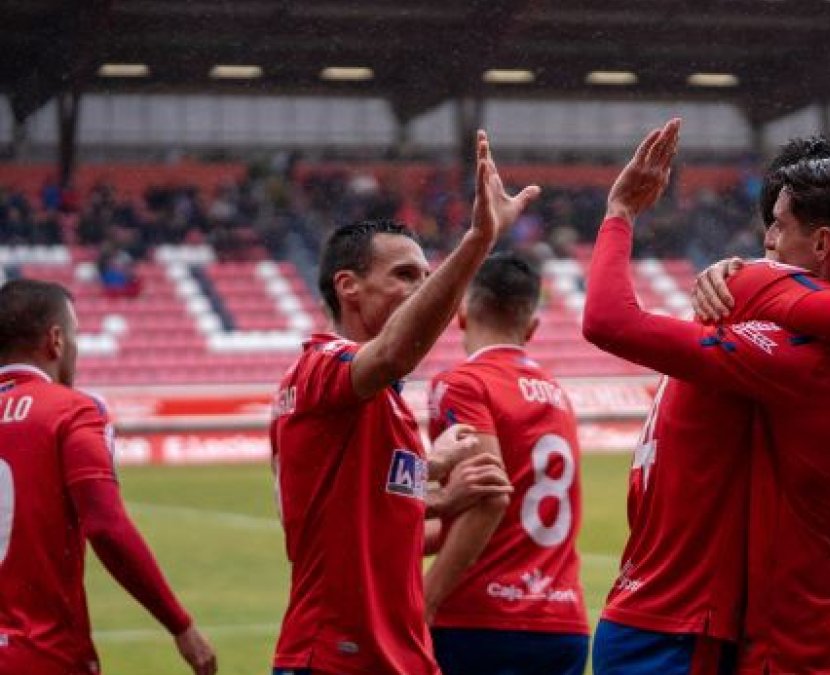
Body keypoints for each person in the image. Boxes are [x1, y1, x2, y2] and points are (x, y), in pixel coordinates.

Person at [583, 119, 830, 675]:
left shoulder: (779, 352)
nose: (765, 243)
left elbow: (610, 320)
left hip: (695, 625)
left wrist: (622, 215)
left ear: (823, 241)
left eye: (777, 227)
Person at [269, 131, 538, 675]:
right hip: (336, 654)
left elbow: (359, 516)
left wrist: (432, 481)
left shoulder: (375, 398)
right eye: (404, 276)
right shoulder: (322, 366)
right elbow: (394, 352)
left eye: (425, 273)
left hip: (399, 653)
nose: (422, 287)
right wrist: (478, 241)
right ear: (348, 286)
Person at [0, 278, 216, 675]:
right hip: (42, 653)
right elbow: (106, 527)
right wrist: (180, 625)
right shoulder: (72, 411)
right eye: (75, 334)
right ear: (56, 341)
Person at [424, 252, 590, 675]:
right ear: (531, 327)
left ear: (462, 314)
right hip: (562, 621)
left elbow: (488, 494)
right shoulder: (556, 393)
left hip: (483, 618)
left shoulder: (462, 384)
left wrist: (424, 600)